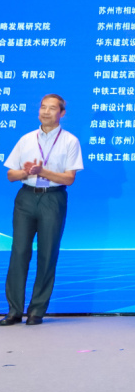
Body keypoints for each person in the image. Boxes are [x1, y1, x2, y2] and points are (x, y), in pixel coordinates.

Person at [1, 94, 83, 326]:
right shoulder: (26, 139)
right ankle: (14, 311)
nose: (46, 112)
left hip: (53, 199)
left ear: (62, 113)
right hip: (26, 198)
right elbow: (10, 175)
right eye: (43, 107)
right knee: (19, 252)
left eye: (52, 108)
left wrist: (42, 171)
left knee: (47, 254)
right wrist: (27, 172)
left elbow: (69, 179)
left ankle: (37, 310)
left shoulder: (70, 141)